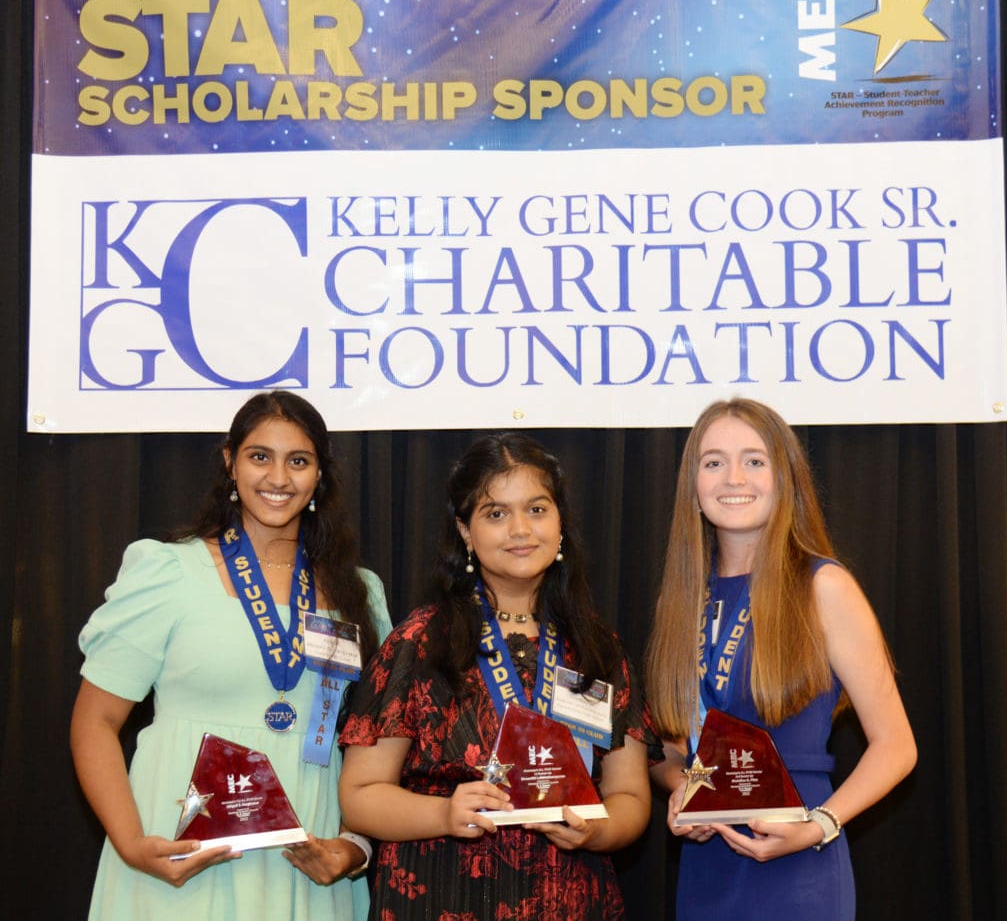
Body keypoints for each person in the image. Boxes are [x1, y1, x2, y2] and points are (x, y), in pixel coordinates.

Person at [70, 390, 391, 920]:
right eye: (260, 456)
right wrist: (132, 844)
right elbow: (95, 721)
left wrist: (355, 845)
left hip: (307, 861)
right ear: (230, 462)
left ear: (320, 475)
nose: (278, 478)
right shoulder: (168, 572)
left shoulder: (360, 592)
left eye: (299, 461)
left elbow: (377, 743)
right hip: (179, 855)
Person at [338, 433, 656, 919]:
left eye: (537, 509)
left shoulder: (598, 649)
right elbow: (360, 796)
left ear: (560, 522)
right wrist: (443, 813)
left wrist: (598, 830)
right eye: (495, 514)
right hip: (442, 897)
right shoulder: (420, 644)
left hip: (571, 900)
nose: (520, 530)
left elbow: (630, 796)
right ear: (465, 531)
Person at [646, 397, 917, 920]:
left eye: (754, 460)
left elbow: (897, 746)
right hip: (707, 868)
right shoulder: (682, 598)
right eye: (713, 462)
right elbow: (675, 746)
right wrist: (683, 791)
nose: (734, 478)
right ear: (692, 485)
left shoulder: (823, 587)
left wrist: (819, 825)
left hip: (799, 863)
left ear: (784, 477)